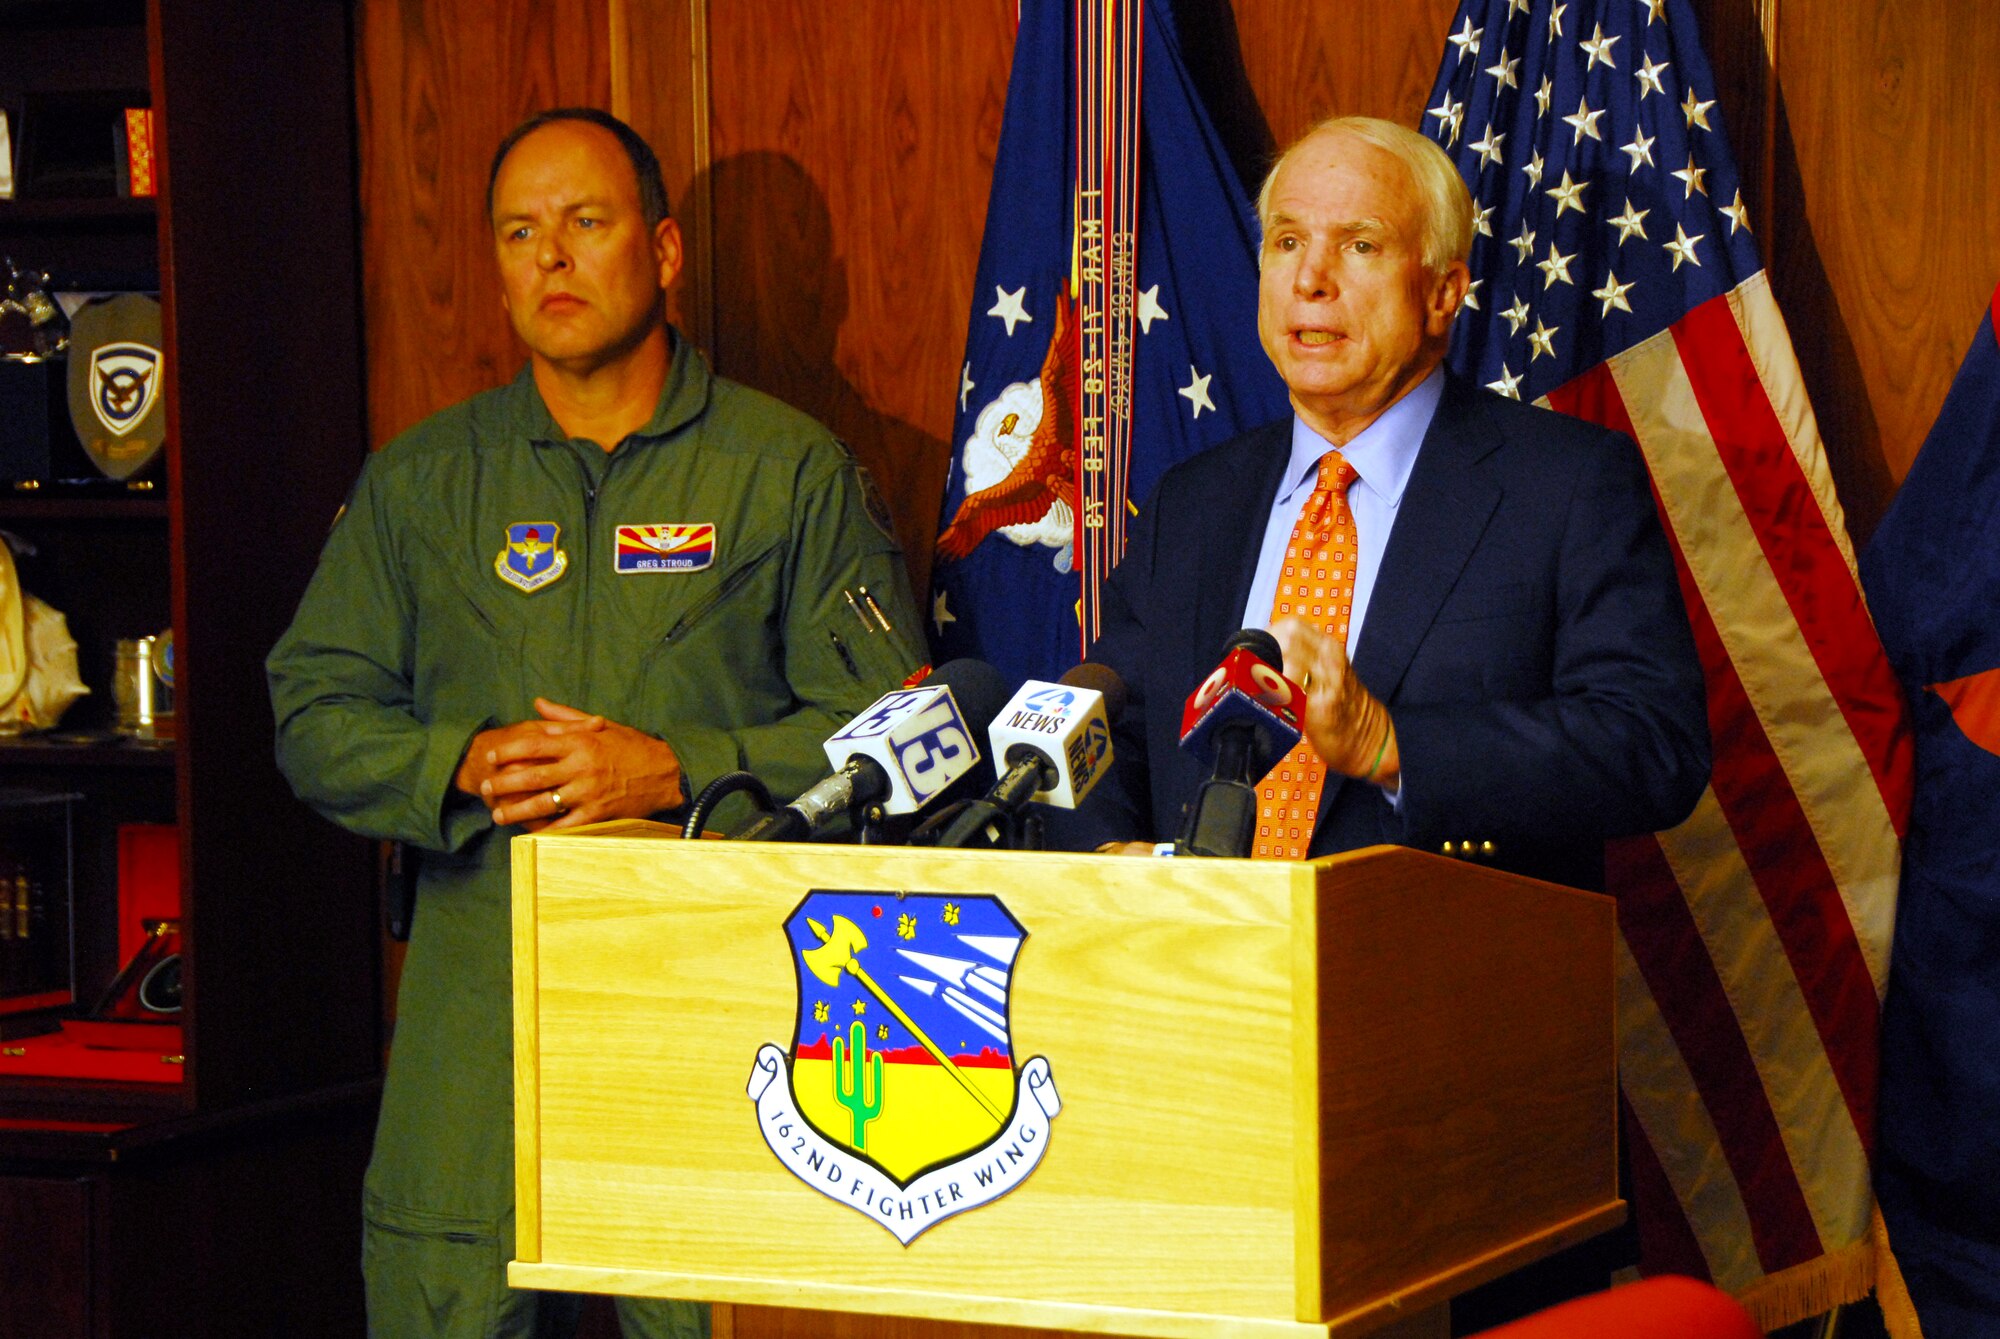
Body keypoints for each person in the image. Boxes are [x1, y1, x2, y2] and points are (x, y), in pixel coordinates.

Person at [267, 108, 926, 1338]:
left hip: (720, 1012)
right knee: (444, 1303)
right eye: (519, 232)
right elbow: (310, 706)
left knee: (709, 1309)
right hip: (479, 1009)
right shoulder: (423, 484)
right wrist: (450, 762)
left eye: (584, 223)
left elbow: (903, 734)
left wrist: (679, 770)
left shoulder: (783, 471)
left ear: (664, 252)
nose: (550, 259)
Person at [1065, 116, 1708, 893]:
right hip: (1202, 980)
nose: (1312, 279)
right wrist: (1103, 860)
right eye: (1287, 241)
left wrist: (1392, 744)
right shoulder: (1193, 502)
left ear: (1443, 293)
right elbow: (1111, 723)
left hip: (1432, 984)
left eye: (1360, 245)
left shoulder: (1564, 486)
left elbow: (1652, 746)